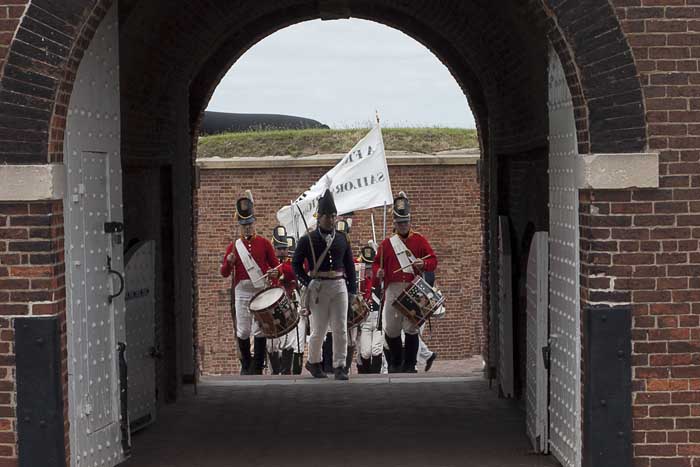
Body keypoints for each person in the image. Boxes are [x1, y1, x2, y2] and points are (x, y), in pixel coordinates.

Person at [292, 189, 357, 380]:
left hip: (338, 285)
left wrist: (352, 290)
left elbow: (350, 266)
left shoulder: (342, 238)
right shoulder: (307, 239)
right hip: (318, 286)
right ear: (318, 217)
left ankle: (339, 365)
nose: (330, 219)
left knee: (340, 328)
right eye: (327, 216)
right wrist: (307, 281)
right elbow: (295, 264)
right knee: (318, 329)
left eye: (333, 216)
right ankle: (313, 361)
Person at [373, 191, 437, 373]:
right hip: (393, 288)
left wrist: (423, 263)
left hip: (412, 288)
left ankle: (409, 365)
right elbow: (377, 262)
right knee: (391, 329)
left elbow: (433, 260)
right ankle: (395, 363)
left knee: (411, 328)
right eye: (399, 223)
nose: (402, 225)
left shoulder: (419, 240)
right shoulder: (386, 244)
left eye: (405, 222)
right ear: (395, 223)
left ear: (409, 221)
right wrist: (378, 271)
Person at [220, 191, 280, 375]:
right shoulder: (234, 246)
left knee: (259, 329)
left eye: (249, 224)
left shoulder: (264, 243)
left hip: (259, 289)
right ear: (240, 226)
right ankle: (246, 363)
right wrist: (229, 262)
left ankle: (256, 366)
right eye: (244, 225)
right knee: (243, 329)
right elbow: (224, 273)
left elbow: (276, 267)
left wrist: (274, 273)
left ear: (254, 223)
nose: (247, 228)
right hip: (242, 290)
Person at [357, 243, 383, 373]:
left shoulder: (380, 281)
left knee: (376, 349)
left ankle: (375, 375)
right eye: (366, 268)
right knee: (365, 352)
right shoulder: (360, 284)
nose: (368, 271)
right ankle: (366, 375)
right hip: (366, 320)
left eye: (370, 267)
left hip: (378, 319)